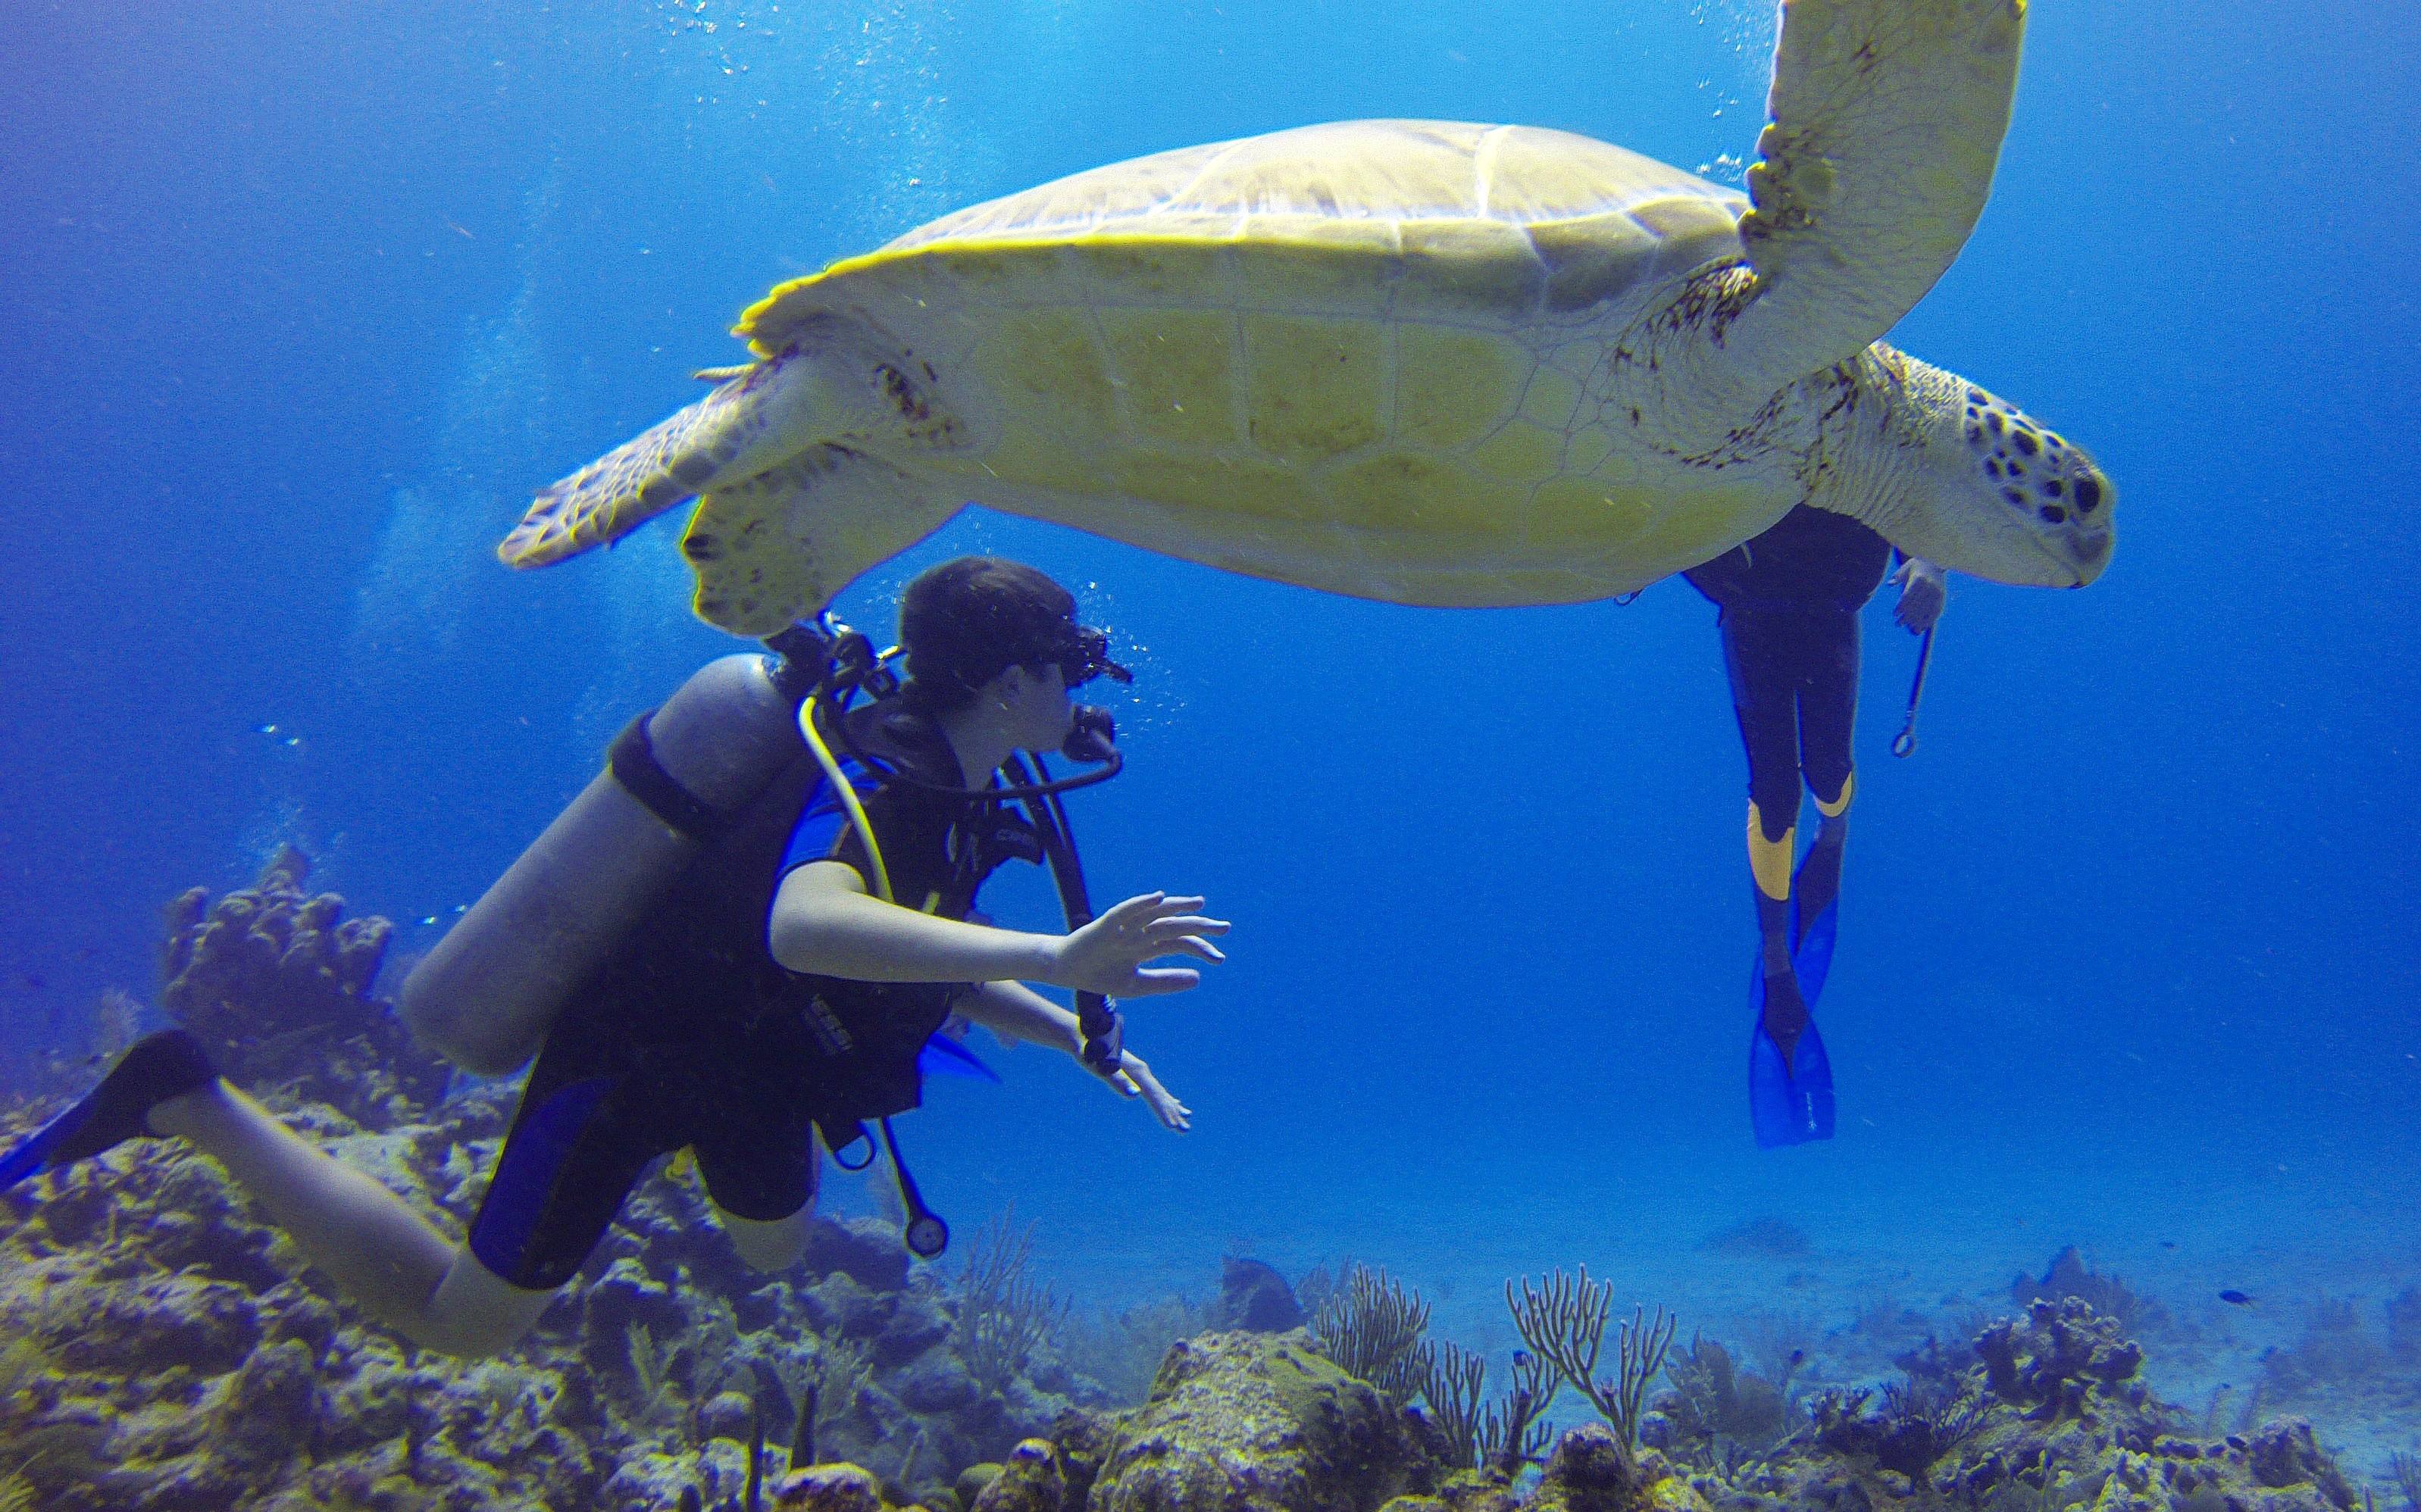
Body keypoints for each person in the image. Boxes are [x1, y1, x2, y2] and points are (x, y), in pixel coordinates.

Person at [0, 556, 1226, 1357]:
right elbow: (808, 923)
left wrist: (1071, 1031)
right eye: (1072, 665)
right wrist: (1063, 953)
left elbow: (921, 950)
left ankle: (644, 1184)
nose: (1085, 691)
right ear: (1011, 680)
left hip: (755, 1062)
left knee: (776, 1251)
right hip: (640, 1055)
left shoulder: (960, 780)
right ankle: (184, 1096)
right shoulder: (887, 775)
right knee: (464, 1328)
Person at [1684, 507, 1946, 1146]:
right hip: (1751, 606)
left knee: (1827, 774)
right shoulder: (1725, 412)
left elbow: (1907, 466)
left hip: (1828, 603)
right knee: (1774, 794)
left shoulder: (1855, 409)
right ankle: (1776, 963)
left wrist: (1927, 562)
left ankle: (1834, 835)